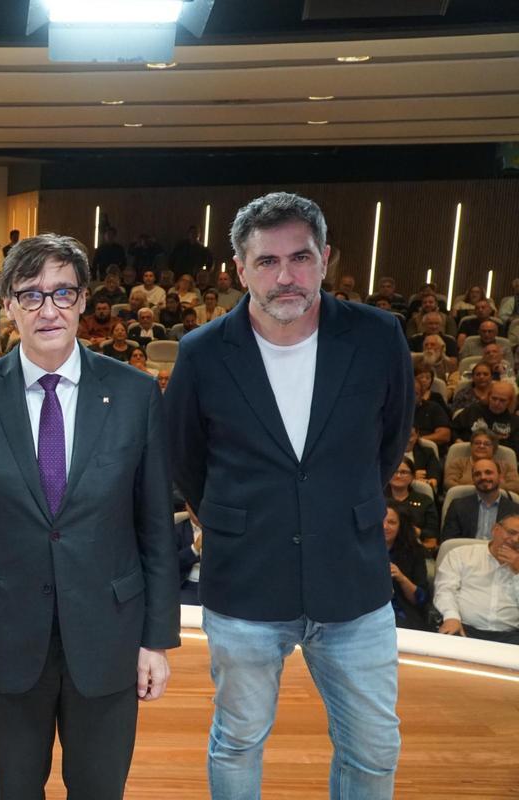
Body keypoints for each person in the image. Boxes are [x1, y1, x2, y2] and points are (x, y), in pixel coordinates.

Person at [164, 192, 413, 798]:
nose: (286, 277)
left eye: (300, 258)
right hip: (246, 583)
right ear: (239, 269)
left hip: (353, 582)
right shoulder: (201, 352)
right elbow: (185, 459)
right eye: (267, 261)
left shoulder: (379, 337)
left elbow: (391, 439)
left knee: (375, 750)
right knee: (239, 741)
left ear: (325, 258)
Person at [0, 234, 178, 798]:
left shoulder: (135, 393)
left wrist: (155, 641)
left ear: (84, 299)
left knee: (99, 789)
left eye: (63, 292)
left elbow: (155, 529)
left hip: (110, 635)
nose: (49, 309)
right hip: (6, 636)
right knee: (15, 788)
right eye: (31, 294)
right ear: (8, 305)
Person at [433, 512, 519, 644]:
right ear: (495, 529)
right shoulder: (461, 554)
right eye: (511, 532)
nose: (515, 540)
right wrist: (451, 617)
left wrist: (517, 571)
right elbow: (445, 590)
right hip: (463, 628)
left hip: (511, 635)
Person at [441, 458, 519, 543]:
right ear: (473, 479)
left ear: (500, 476)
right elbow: (449, 542)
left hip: (501, 554)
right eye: (477, 474)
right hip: (466, 554)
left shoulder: (515, 510)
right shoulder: (458, 506)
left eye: (488, 472)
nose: (483, 477)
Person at [383, 502, 432, 630]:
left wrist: (401, 578)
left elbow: (421, 600)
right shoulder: (359, 550)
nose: (384, 526)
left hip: (402, 615)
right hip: (367, 614)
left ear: (401, 526)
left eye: (391, 522)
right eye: (380, 521)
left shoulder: (414, 552)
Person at [385, 457, 439, 547]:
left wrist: (418, 532)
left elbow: (432, 534)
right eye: (394, 471)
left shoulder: (425, 501)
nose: (398, 476)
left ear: (413, 476)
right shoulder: (379, 501)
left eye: (403, 472)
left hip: (415, 548)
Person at [445, 431, 519, 493]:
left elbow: (516, 486)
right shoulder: (458, 463)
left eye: (486, 444)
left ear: (494, 448)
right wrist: (488, 486)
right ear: (471, 446)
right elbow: (449, 483)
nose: (481, 446)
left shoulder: (506, 466)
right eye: (477, 443)